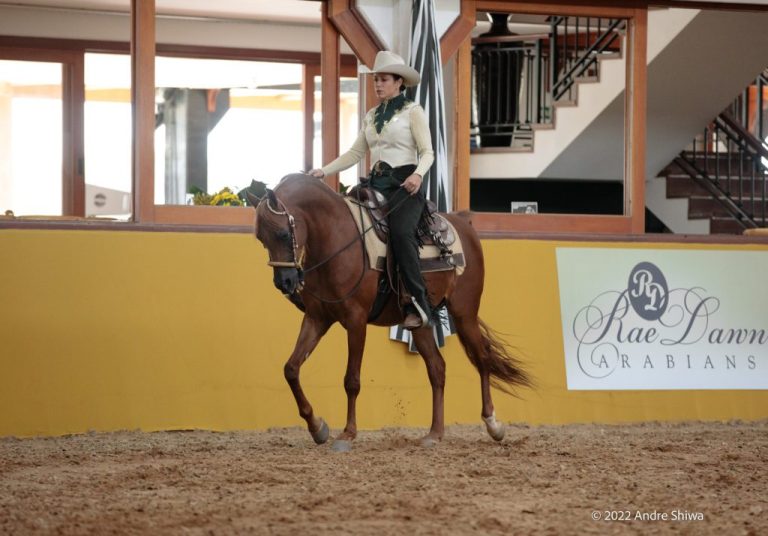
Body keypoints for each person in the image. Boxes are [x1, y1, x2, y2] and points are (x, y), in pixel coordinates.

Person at [309, 50, 435, 330]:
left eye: (383, 79)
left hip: (405, 186)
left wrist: (417, 174)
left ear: (399, 82)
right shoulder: (371, 115)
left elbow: (428, 152)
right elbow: (355, 153)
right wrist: (324, 171)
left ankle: (418, 301)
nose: (377, 84)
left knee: (401, 233)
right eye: (376, 79)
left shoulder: (413, 112)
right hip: (376, 185)